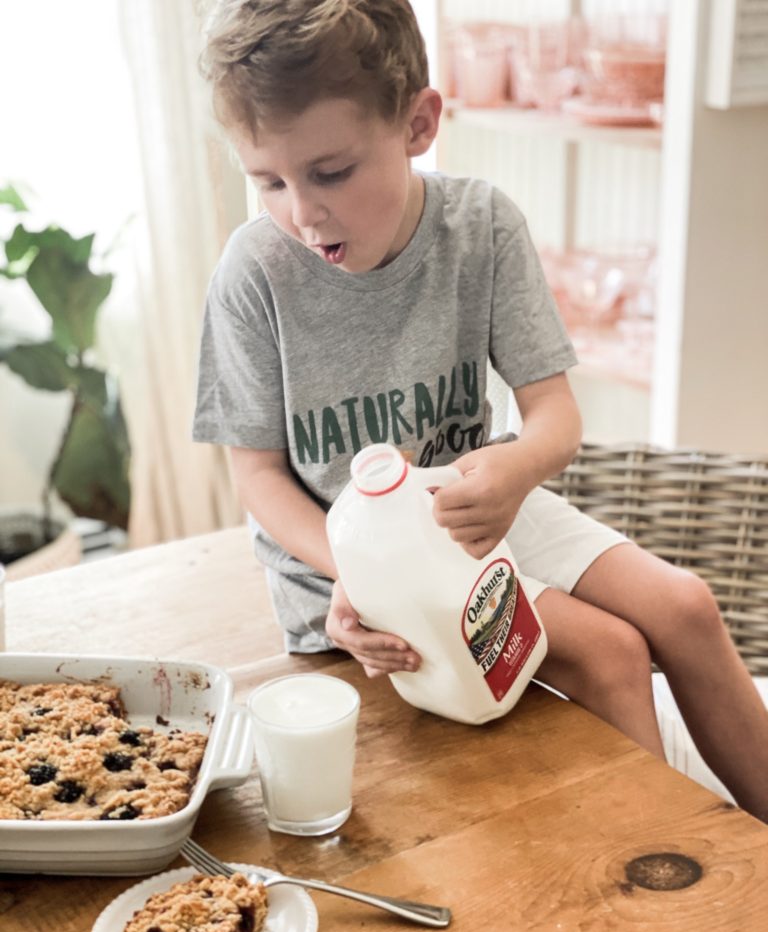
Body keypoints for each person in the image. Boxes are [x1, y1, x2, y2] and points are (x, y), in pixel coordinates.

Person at [193, 0, 768, 823]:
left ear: (419, 123)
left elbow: (554, 415)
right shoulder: (253, 274)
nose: (302, 212)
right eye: (270, 182)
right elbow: (256, 475)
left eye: (331, 173)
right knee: (610, 653)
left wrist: (517, 466)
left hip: (479, 509)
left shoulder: (481, 226)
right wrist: (354, 570)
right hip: (350, 574)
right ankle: (662, 878)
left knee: (686, 606)